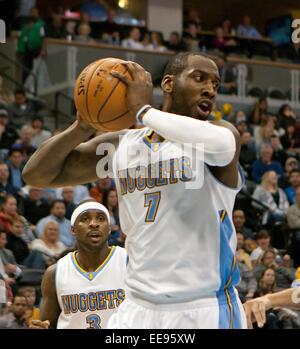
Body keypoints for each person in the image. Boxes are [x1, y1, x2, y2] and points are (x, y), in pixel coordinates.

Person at [23, 52, 246, 329]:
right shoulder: (122, 146)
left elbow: (223, 142)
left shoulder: (218, 136)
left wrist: (144, 111)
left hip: (202, 307)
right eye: (199, 78)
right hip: (138, 307)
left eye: (215, 83)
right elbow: (37, 174)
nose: (209, 89)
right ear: (168, 83)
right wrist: (83, 126)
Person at [29, 200, 127, 329]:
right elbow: (48, 324)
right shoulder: (55, 273)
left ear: (109, 229)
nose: (93, 224)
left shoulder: (129, 261)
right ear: (73, 230)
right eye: (85, 219)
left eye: (101, 218)